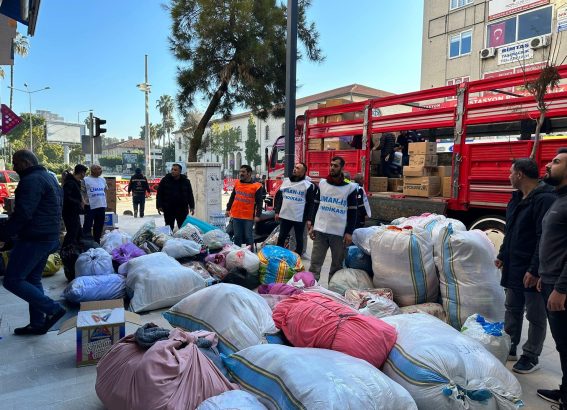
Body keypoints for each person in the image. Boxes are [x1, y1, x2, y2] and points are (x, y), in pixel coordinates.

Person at [495, 158, 555, 374]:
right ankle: (509, 345)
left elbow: (543, 237)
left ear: (520, 174)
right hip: (514, 265)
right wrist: (503, 254)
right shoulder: (517, 198)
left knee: (535, 314)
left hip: (532, 268)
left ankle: (531, 355)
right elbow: (510, 231)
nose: (509, 176)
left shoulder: (545, 199)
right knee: (512, 307)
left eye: (511, 172)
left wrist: (535, 270)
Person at [0, 150, 66, 335]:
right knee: (32, 279)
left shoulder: (31, 180)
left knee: (12, 280)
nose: (14, 167)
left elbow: (23, 213)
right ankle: (37, 324)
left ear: (26, 162)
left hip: (34, 238)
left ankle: (52, 309)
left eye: (16, 163)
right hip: (48, 236)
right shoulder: (49, 177)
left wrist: (4, 234)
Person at [536, 147, 567, 408]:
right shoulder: (558, 199)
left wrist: (561, 288)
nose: (548, 165)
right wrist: (541, 274)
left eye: (556, 162)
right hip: (550, 280)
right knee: (562, 344)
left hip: (561, 286)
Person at [308, 156, 358, 281]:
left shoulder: (350, 187)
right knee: (315, 263)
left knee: (337, 265)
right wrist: (312, 224)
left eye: (335, 166)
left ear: (342, 168)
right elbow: (316, 205)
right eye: (331, 165)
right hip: (321, 230)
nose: (332, 168)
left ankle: (333, 288)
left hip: (338, 233)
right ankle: (311, 287)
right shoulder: (322, 184)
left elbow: (353, 212)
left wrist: (349, 232)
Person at [274, 162, 315, 254]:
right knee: (281, 237)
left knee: (299, 238)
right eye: (295, 167)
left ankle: (298, 256)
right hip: (285, 215)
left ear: (303, 172)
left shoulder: (307, 185)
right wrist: (277, 211)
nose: (294, 169)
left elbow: (311, 203)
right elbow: (280, 198)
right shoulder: (286, 182)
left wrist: (309, 219)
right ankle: (278, 254)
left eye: (297, 168)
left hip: (299, 217)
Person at [226, 165, 263, 247]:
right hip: (236, 215)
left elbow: (260, 202)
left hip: (248, 217)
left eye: (243, 172)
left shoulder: (256, 186)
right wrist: (228, 209)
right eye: (240, 171)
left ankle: (249, 254)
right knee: (237, 237)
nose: (241, 173)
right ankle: (237, 253)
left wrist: (258, 215)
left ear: (249, 173)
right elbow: (232, 197)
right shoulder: (237, 183)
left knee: (248, 237)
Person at [156, 163, 195, 231]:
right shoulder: (165, 180)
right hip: (168, 209)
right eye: (172, 169)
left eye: (175, 170)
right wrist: (159, 206)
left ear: (180, 172)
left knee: (183, 228)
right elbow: (159, 194)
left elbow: (190, 194)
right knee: (169, 228)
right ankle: (169, 238)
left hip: (182, 209)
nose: (173, 171)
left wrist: (192, 206)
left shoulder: (186, 181)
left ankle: (182, 238)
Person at [62, 164, 88, 247]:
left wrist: (82, 202)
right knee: (72, 232)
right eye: (84, 173)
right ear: (82, 173)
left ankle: (74, 248)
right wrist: (78, 202)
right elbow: (65, 197)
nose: (85, 175)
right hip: (69, 211)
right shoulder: (70, 183)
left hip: (74, 211)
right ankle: (66, 249)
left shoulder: (76, 182)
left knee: (77, 231)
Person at [82, 164, 107, 243]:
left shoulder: (102, 179)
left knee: (99, 225)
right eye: (98, 169)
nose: (100, 170)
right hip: (90, 206)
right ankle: (87, 242)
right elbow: (81, 192)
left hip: (101, 205)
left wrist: (105, 201)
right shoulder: (85, 180)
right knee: (88, 225)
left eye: (100, 169)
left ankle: (97, 241)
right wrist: (83, 202)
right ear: (92, 170)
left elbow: (105, 190)